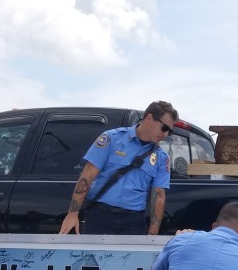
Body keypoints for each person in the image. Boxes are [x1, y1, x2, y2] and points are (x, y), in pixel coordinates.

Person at [59, 101, 176, 235]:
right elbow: (87, 177)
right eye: (164, 128)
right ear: (149, 118)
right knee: (90, 256)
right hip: (100, 216)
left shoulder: (161, 157)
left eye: (170, 131)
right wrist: (72, 214)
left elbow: (159, 195)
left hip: (133, 222)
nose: (166, 134)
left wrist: (153, 233)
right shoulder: (112, 139)